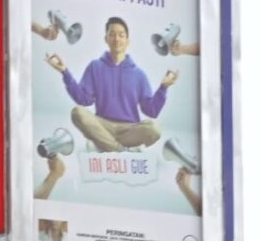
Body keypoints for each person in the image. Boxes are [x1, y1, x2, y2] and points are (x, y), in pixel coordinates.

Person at [48, 16, 176, 153]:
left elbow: (151, 111)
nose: (117, 39)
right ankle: (121, 150)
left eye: (121, 35)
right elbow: (84, 99)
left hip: (129, 130)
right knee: (77, 112)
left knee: (154, 128)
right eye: (112, 34)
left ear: (127, 41)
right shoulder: (95, 67)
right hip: (102, 126)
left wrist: (163, 88)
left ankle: (104, 144)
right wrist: (65, 72)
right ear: (106, 39)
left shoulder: (139, 74)